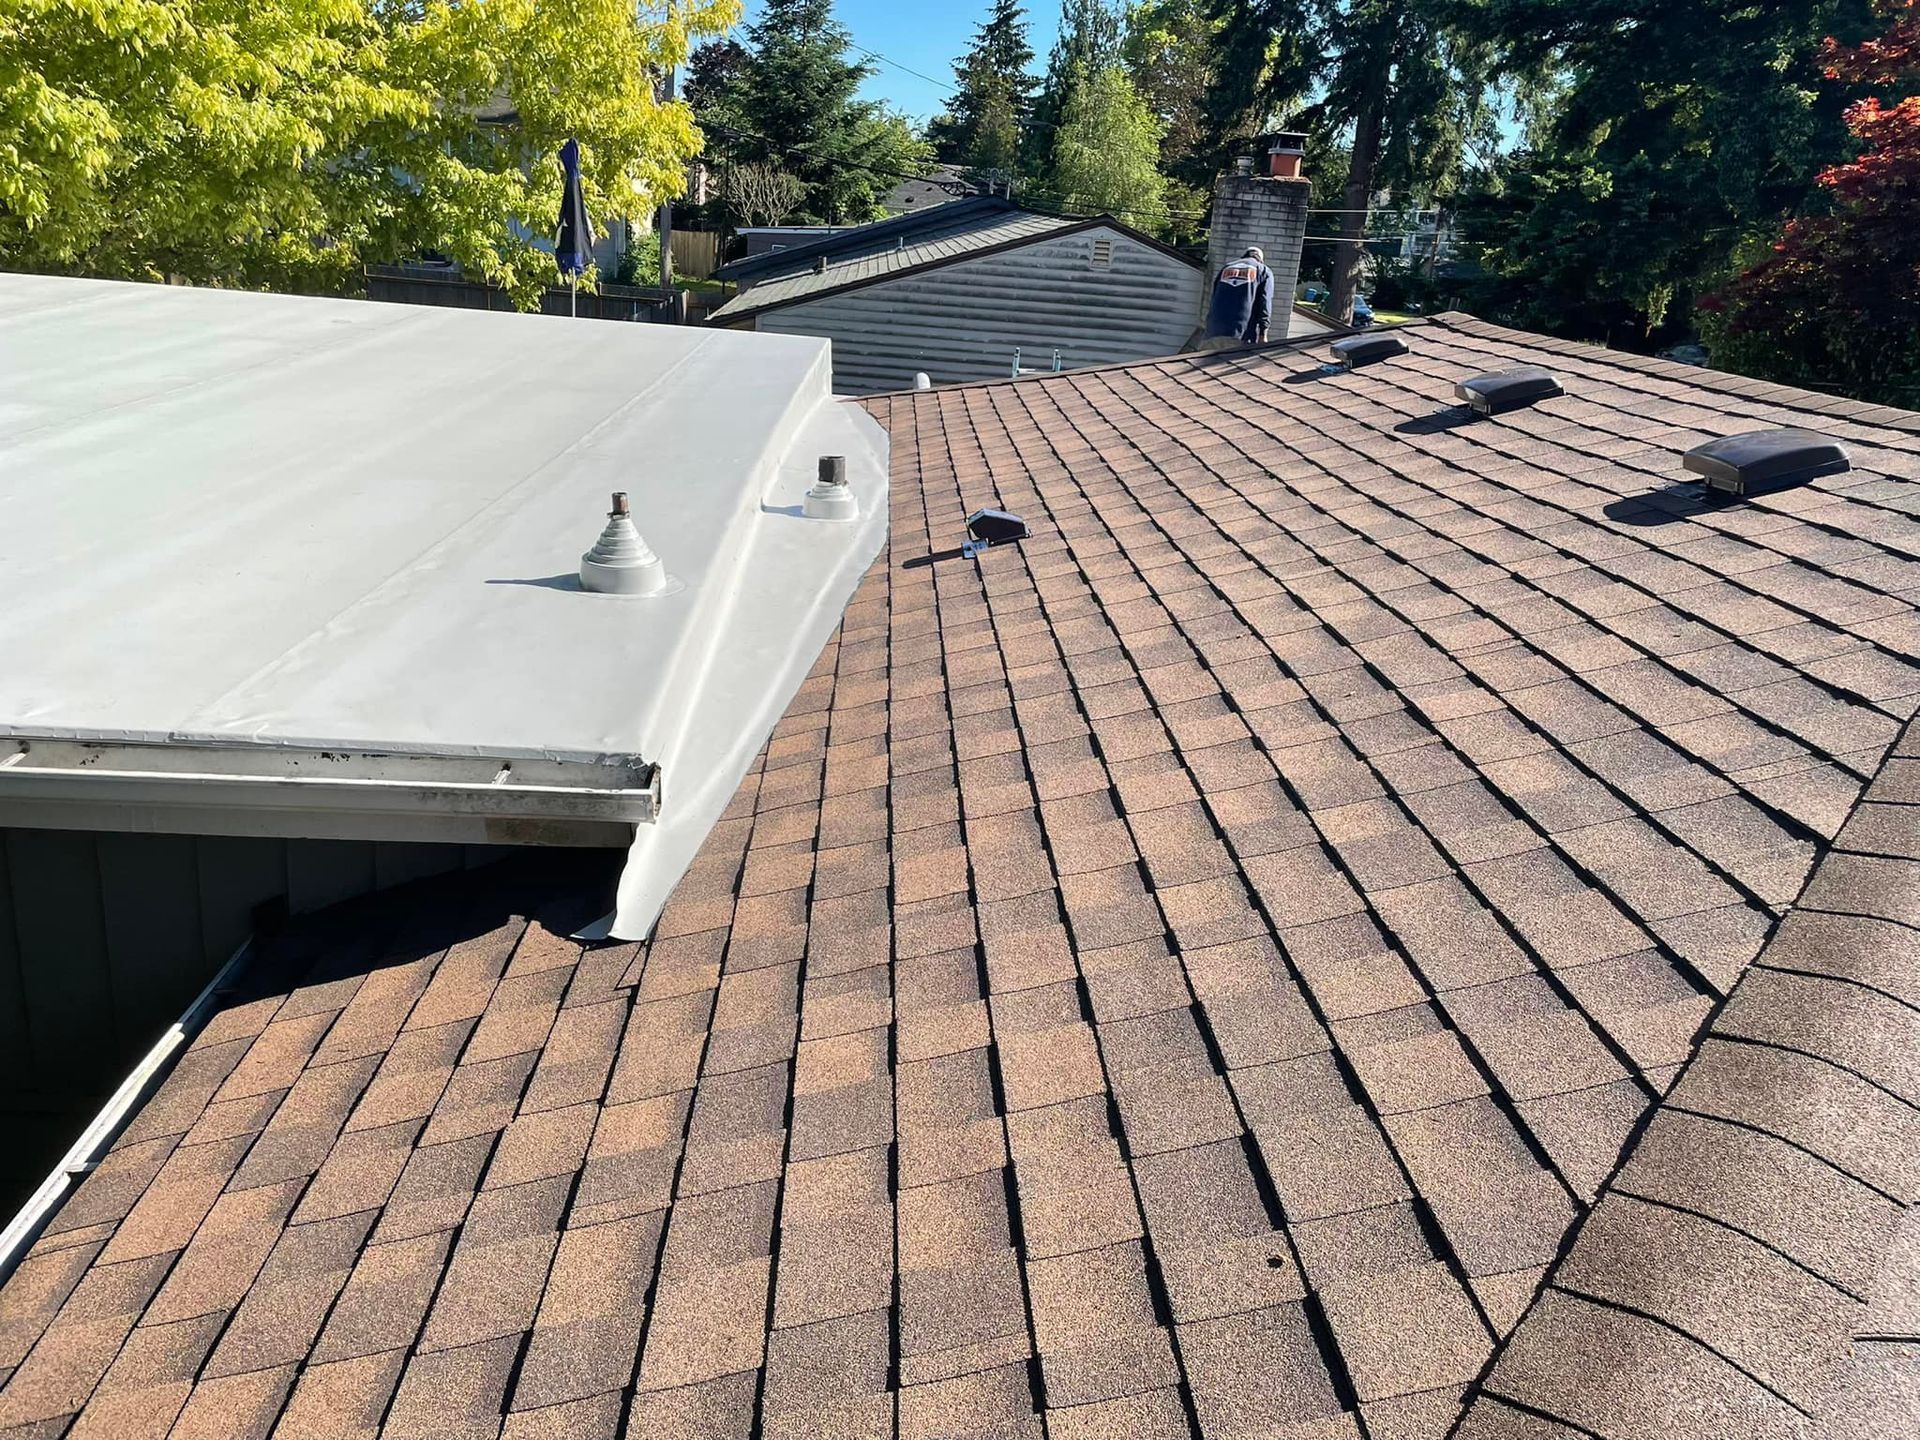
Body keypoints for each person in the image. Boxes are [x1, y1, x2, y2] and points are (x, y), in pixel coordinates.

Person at [1204, 246, 1274, 346]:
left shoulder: (1226, 267)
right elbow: (1265, 302)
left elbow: (1213, 297)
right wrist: (1263, 333)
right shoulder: (1264, 270)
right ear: (1260, 259)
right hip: (1241, 334)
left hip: (1213, 332)